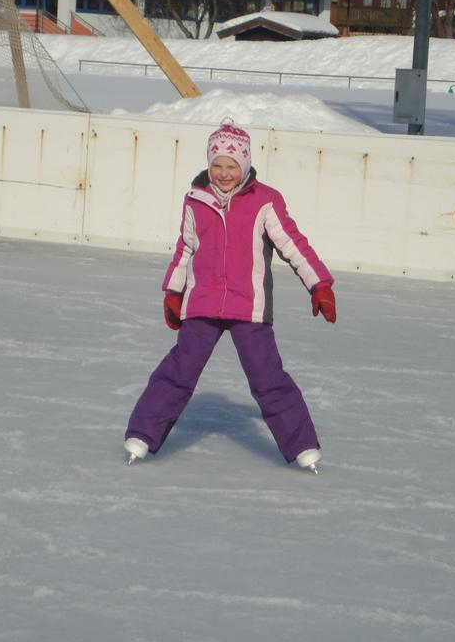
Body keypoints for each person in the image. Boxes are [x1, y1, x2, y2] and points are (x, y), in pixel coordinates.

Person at [124, 120, 336, 473]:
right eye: (217, 165)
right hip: (203, 302)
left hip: (247, 306)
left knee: (268, 378)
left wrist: (320, 284)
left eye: (231, 166)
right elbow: (186, 247)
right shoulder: (195, 199)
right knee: (179, 370)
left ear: (246, 165)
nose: (223, 173)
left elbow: (292, 245)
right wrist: (174, 291)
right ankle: (143, 434)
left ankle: (301, 445)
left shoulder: (265, 201)